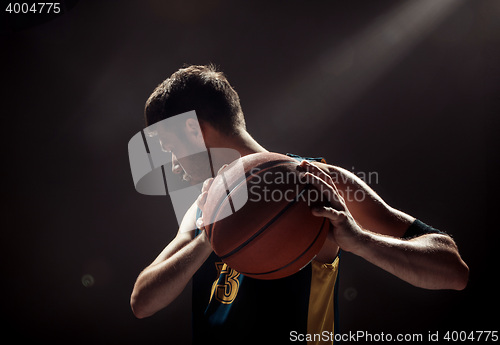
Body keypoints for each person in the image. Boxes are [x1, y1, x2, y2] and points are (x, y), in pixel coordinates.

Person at [130, 64, 469, 344]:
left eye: (169, 146)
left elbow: (452, 269)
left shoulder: (315, 183)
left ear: (193, 129)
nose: (173, 164)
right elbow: (142, 302)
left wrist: (363, 242)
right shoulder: (202, 208)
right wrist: (208, 236)